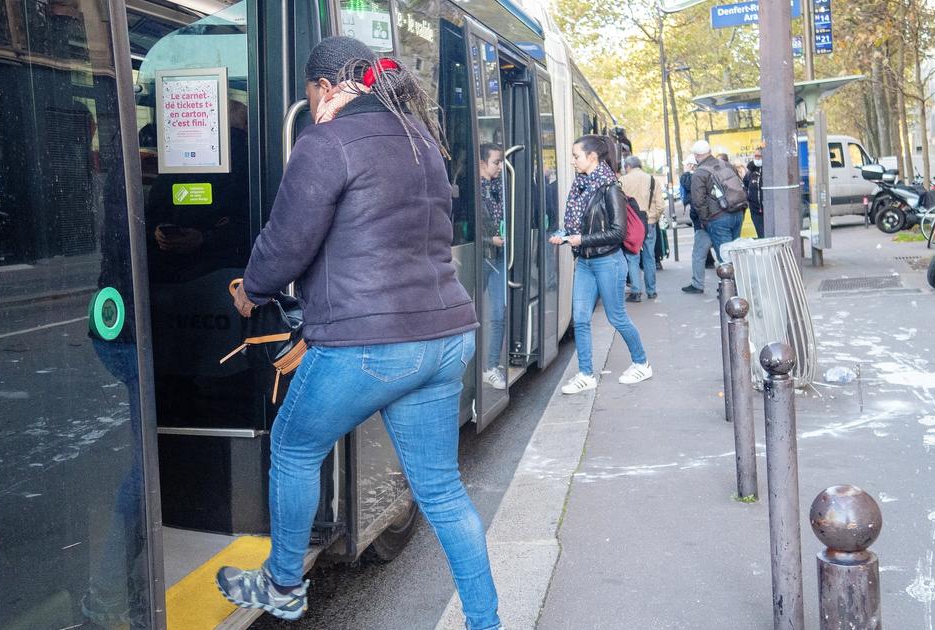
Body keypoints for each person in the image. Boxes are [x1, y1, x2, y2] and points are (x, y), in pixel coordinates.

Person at [219, 37, 502, 630]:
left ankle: (285, 586)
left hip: (370, 343)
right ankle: (486, 622)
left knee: (294, 449)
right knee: (443, 494)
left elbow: (287, 241)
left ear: (324, 88)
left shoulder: (325, 142)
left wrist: (253, 290)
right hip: (447, 335)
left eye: (309, 93)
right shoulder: (419, 137)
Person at [551, 135, 651, 395]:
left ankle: (642, 362)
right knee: (581, 319)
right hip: (584, 261)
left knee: (617, 317)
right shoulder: (581, 186)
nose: (573, 161)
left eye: (576, 156)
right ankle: (586, 374)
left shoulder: (610, 188)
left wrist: (580, 239)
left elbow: (618, 232)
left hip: (608, 262)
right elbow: (581, 224)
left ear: (592, 157)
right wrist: (565, 235)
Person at [479, 142, 507, 390]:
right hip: (482, 257)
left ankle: (490, 367)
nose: (500, 167)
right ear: (481, 163)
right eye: (497, 162)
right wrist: (490, 240)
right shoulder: (472, 190)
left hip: (497, 257)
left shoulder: (498, 187)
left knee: (498, 313)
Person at [690, 139, 747, 261]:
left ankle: (729, 280)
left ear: (695, 155)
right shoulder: (726, 165)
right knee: (736, 255)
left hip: (718, 217)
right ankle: (739, 279)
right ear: (710, 151)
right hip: (737, 212)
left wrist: (706, 221)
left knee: (725, 258)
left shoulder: (699, 173)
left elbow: (698, 202)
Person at [620, 156, 664, 300]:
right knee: (649, 257)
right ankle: (651, 291)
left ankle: (636, 292)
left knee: (633, 257)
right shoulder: (652, 180)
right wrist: (652, 217)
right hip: (649, 222)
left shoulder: (623, 181)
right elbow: (660, 206)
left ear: (627, 166)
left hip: (631, 224)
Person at [681, 155, 715, 294]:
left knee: (698, 254)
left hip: (704, 220)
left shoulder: (695, 177)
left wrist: (703, 220)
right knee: (722, 252)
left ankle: (698, 284)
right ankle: (731, 284)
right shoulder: (713, 172)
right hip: (717, 217)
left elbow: (697, 200)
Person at [744, 147, 764, 238]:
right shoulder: (750, 171)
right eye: (756, 156)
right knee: (761, 234)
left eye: (760, 156)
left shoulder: (768, 170)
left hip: (767, 208)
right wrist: (748, 198)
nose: (757, 158)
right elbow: (744, 185)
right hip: (755, 208)